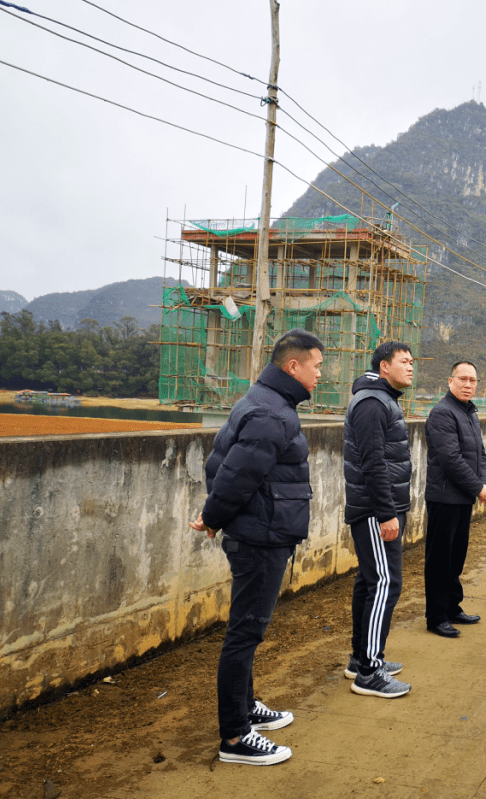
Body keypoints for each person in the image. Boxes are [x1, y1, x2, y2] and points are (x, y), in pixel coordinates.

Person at [190, 328, 324, 766]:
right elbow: (236, 475)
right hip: (261, 537)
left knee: (247, 628)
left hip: (260, 530)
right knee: (245, 633)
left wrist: (218, 518)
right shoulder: (272, 413)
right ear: (294, 366)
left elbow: (224, 462)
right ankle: (235, 738)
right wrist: (213, 518)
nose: (321, 375)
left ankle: (246, 707)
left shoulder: (265, 400)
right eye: (317, 366)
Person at [343, 341, 414, 697]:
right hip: (375, 511)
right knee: (385, 583)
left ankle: (361, 658)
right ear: (384, 367)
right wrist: (387, 513)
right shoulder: (372, 403)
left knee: (370, 582)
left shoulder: (381, 399)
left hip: (378, 509)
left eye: (411, 361)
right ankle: (370, 672)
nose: (411, 367)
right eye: (404, 361)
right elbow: (372, 463)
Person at [423, 361, 486, 638]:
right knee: (440, 559)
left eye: (473, 380)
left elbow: (480, 454)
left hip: (463, 498)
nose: (468, 384)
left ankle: (452, 607)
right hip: (444, 498)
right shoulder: (442, 413)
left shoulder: (469, 412)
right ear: (450, 381)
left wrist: (483, 482)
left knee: (457, 557)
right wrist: (477, 487)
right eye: (463, 379)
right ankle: (436, 616)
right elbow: (450, 459)